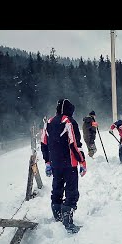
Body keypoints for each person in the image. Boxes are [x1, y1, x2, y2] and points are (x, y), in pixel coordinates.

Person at [41, 98, 87, 234]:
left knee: (57, 189)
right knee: (72, 192)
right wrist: (82, 162)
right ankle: (68, 223)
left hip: (55, 164)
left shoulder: (49, 122)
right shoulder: (69, 122)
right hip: (69, 164)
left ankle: (58, 217)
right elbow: (75, 144)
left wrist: (47, 162)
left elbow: (44, 143)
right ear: (69, 110)